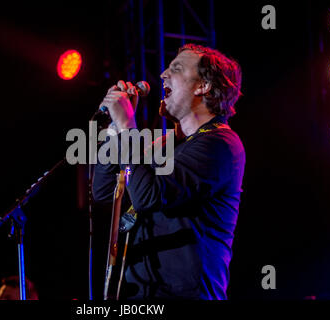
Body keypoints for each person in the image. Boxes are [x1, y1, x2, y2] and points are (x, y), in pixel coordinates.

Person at [92, 43, 245, 300]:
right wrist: (115, 130)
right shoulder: (163, 145)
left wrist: (128, 126)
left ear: (203, 86)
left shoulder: (222, 144)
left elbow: (148, 196)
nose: (163, 74)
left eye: (176, 68)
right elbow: (104, 191)